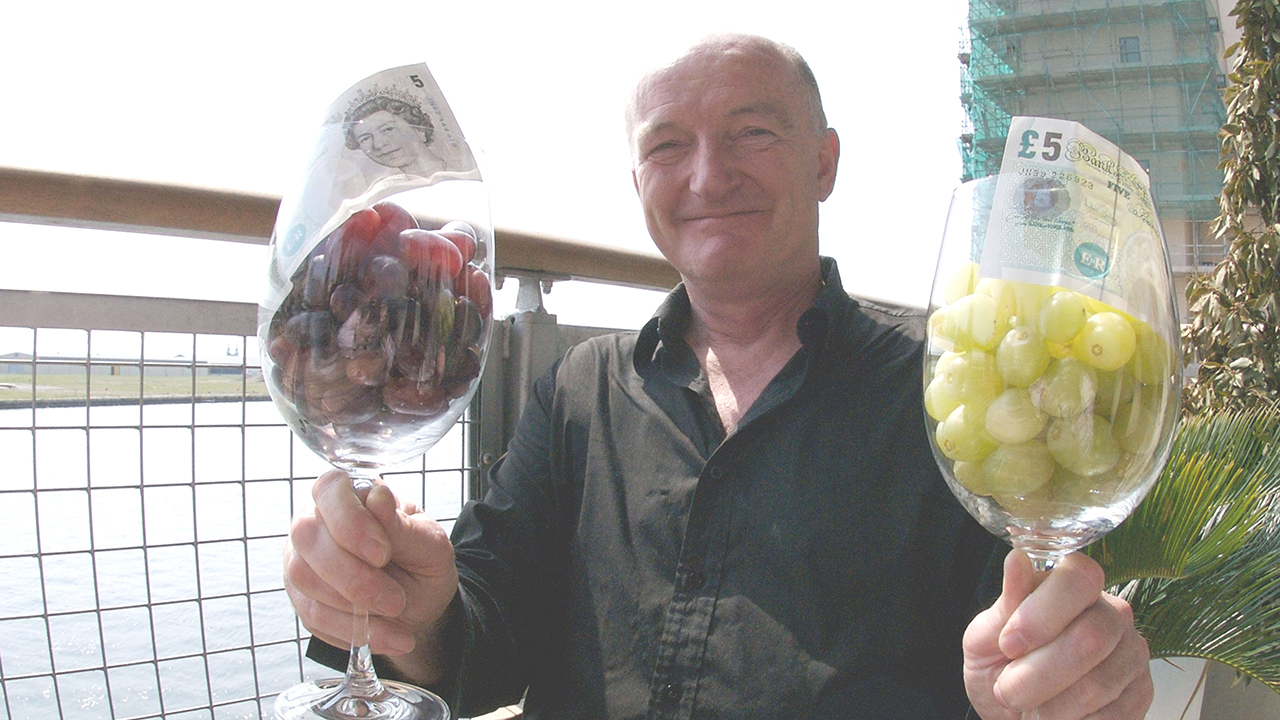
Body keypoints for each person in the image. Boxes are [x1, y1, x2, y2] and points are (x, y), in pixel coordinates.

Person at [285, 34, 1154, 719]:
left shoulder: (947, 395)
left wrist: (1057, 679)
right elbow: (484, 637)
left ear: (824, 162)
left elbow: (1023, 653)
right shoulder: (581, 392)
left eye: (752, 133)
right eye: (668, 146)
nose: (708, 175)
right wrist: (412, 615)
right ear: (638, 182)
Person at [344, 94, 446, 178]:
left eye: (388, 129)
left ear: (420, 129)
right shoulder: (388, 190)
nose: (378, 145)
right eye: (365, 138)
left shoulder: (454, 172)